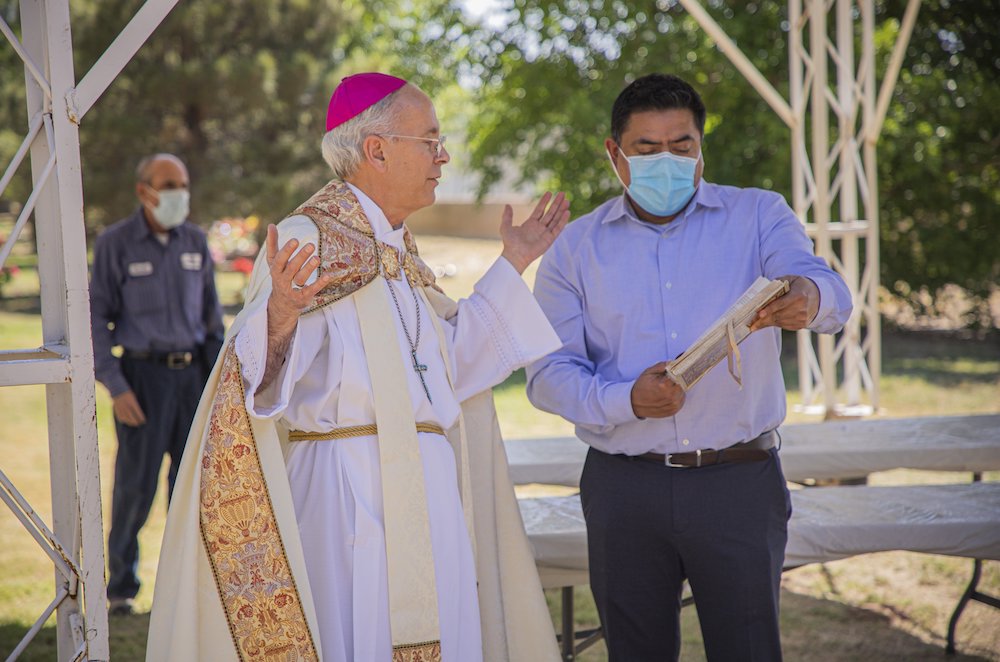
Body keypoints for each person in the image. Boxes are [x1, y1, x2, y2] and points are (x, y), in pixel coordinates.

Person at [146, 72, 568, 662]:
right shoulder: (308, 237)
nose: (443, 156)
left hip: (430, 495)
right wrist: (282, 315)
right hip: (347, 492)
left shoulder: (399, 253)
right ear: (377, 149)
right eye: (430, 140)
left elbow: (452, 367)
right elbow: (255, 386)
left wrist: (513, 262)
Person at [526, 73, 853, 661]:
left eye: (682, 146)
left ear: (703, 148)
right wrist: (627, 400)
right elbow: (548, 375)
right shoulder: (575, 248)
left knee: (749, 649)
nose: (667, 161)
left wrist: (808, 293)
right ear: (614, 154)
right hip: (625, 487)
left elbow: (828, 290)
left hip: (740, 481)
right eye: (647, 149)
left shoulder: (758, 215)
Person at [89, 153, 224, 616]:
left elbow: (212, 324)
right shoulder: (116, 243)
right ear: (144, 191)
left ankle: (187, 588)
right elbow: (94, 316)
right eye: (169, 185)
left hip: (192, 381)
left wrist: (216, 389)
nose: (178, 194)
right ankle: (121, 590)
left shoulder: (196, 242)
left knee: (192, 491)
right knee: (134, 489)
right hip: (140, 382)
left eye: (183, 184)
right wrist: (116, 385)